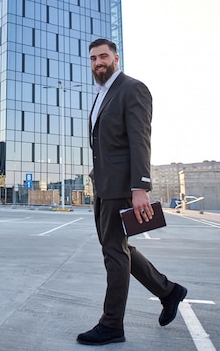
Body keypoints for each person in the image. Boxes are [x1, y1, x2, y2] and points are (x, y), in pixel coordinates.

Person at [77, 38, 187, 345]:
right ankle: (169, 291)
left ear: (116, 57)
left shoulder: (132, 88)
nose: (97, 62)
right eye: (93, 58)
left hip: (121, 186)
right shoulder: (102, 94)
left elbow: (140, 140)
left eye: (103, 56)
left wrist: (140, 188)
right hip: (103, 185)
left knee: (114, 252)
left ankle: (112, 324)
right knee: (117, 247)